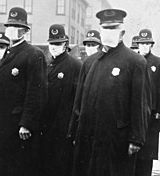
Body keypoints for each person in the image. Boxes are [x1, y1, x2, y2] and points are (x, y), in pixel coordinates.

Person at [67, 9, 151, 176]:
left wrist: (136, 139)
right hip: (88, 135)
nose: (109, 32)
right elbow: (79, 102)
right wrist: (74, 130)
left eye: (113, 28)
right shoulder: (90, 62)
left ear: (122, 32)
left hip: (115, 138)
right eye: (105, 29)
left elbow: (140, 103)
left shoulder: (135, 62)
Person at [0, 7, 47, 176]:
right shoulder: (8, 53)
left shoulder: (33, 54)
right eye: (9, 26)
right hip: (1, 121)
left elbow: (36, 92)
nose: (12, 30)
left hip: (17, 125)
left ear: (24, 30)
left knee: (18, 166)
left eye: (16, 27)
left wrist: (27, 123)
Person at [41, 24, 82, 176]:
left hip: (64, 129)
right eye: (52, 43)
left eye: (58, 43)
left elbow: (78, 101)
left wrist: (73, 130)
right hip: (45, 127)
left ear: (65, 44)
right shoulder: (46, 64)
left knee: (62, 167)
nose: (54, 47)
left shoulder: (75, 66)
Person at [135, 29, 160, 176]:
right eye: (141, 44)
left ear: (151, 45)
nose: (144, 47)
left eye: (147, 44)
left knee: (147, 153)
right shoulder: (134, 61)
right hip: (137, 113)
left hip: (151, 115)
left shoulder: (157, 63)